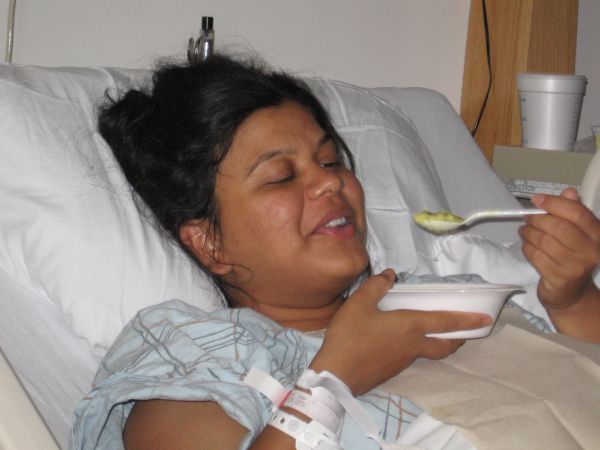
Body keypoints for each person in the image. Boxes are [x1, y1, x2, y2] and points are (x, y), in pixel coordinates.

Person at [71, 54, 600, 450]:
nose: (330, 183)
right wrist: (334, 376)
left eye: (330, 162)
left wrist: (574, 300)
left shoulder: (442, 296)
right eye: (281, 176)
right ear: (210, 243)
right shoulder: (204, 357)